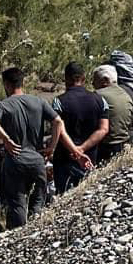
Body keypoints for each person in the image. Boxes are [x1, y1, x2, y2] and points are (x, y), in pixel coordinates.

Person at [0, 66, 63, 229]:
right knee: (38, 203)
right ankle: (37, 233)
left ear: (7, 85)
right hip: (37, 159)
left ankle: (19, 237)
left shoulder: (4, 105)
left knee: (17, 205)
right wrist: (51, 147)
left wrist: (6, 138)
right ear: (23, 82)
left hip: (15, 160)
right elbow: (58, 122)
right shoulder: (39, 102)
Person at [52, 61, 106, 193]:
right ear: (83, 78)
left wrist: (75, 150)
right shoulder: (100, 100)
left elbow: (60, 129)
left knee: (64, 195)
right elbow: (104, 129)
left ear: (66, 79)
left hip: (65, 159)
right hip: (90, 158)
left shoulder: (58, 101)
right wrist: (82, 149)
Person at [91, 65, 133, 165]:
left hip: (105, 147)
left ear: (105, 80)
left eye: (95, 80)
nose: (92, 83)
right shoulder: (125, 94)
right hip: (124, 143)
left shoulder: (98, 95)